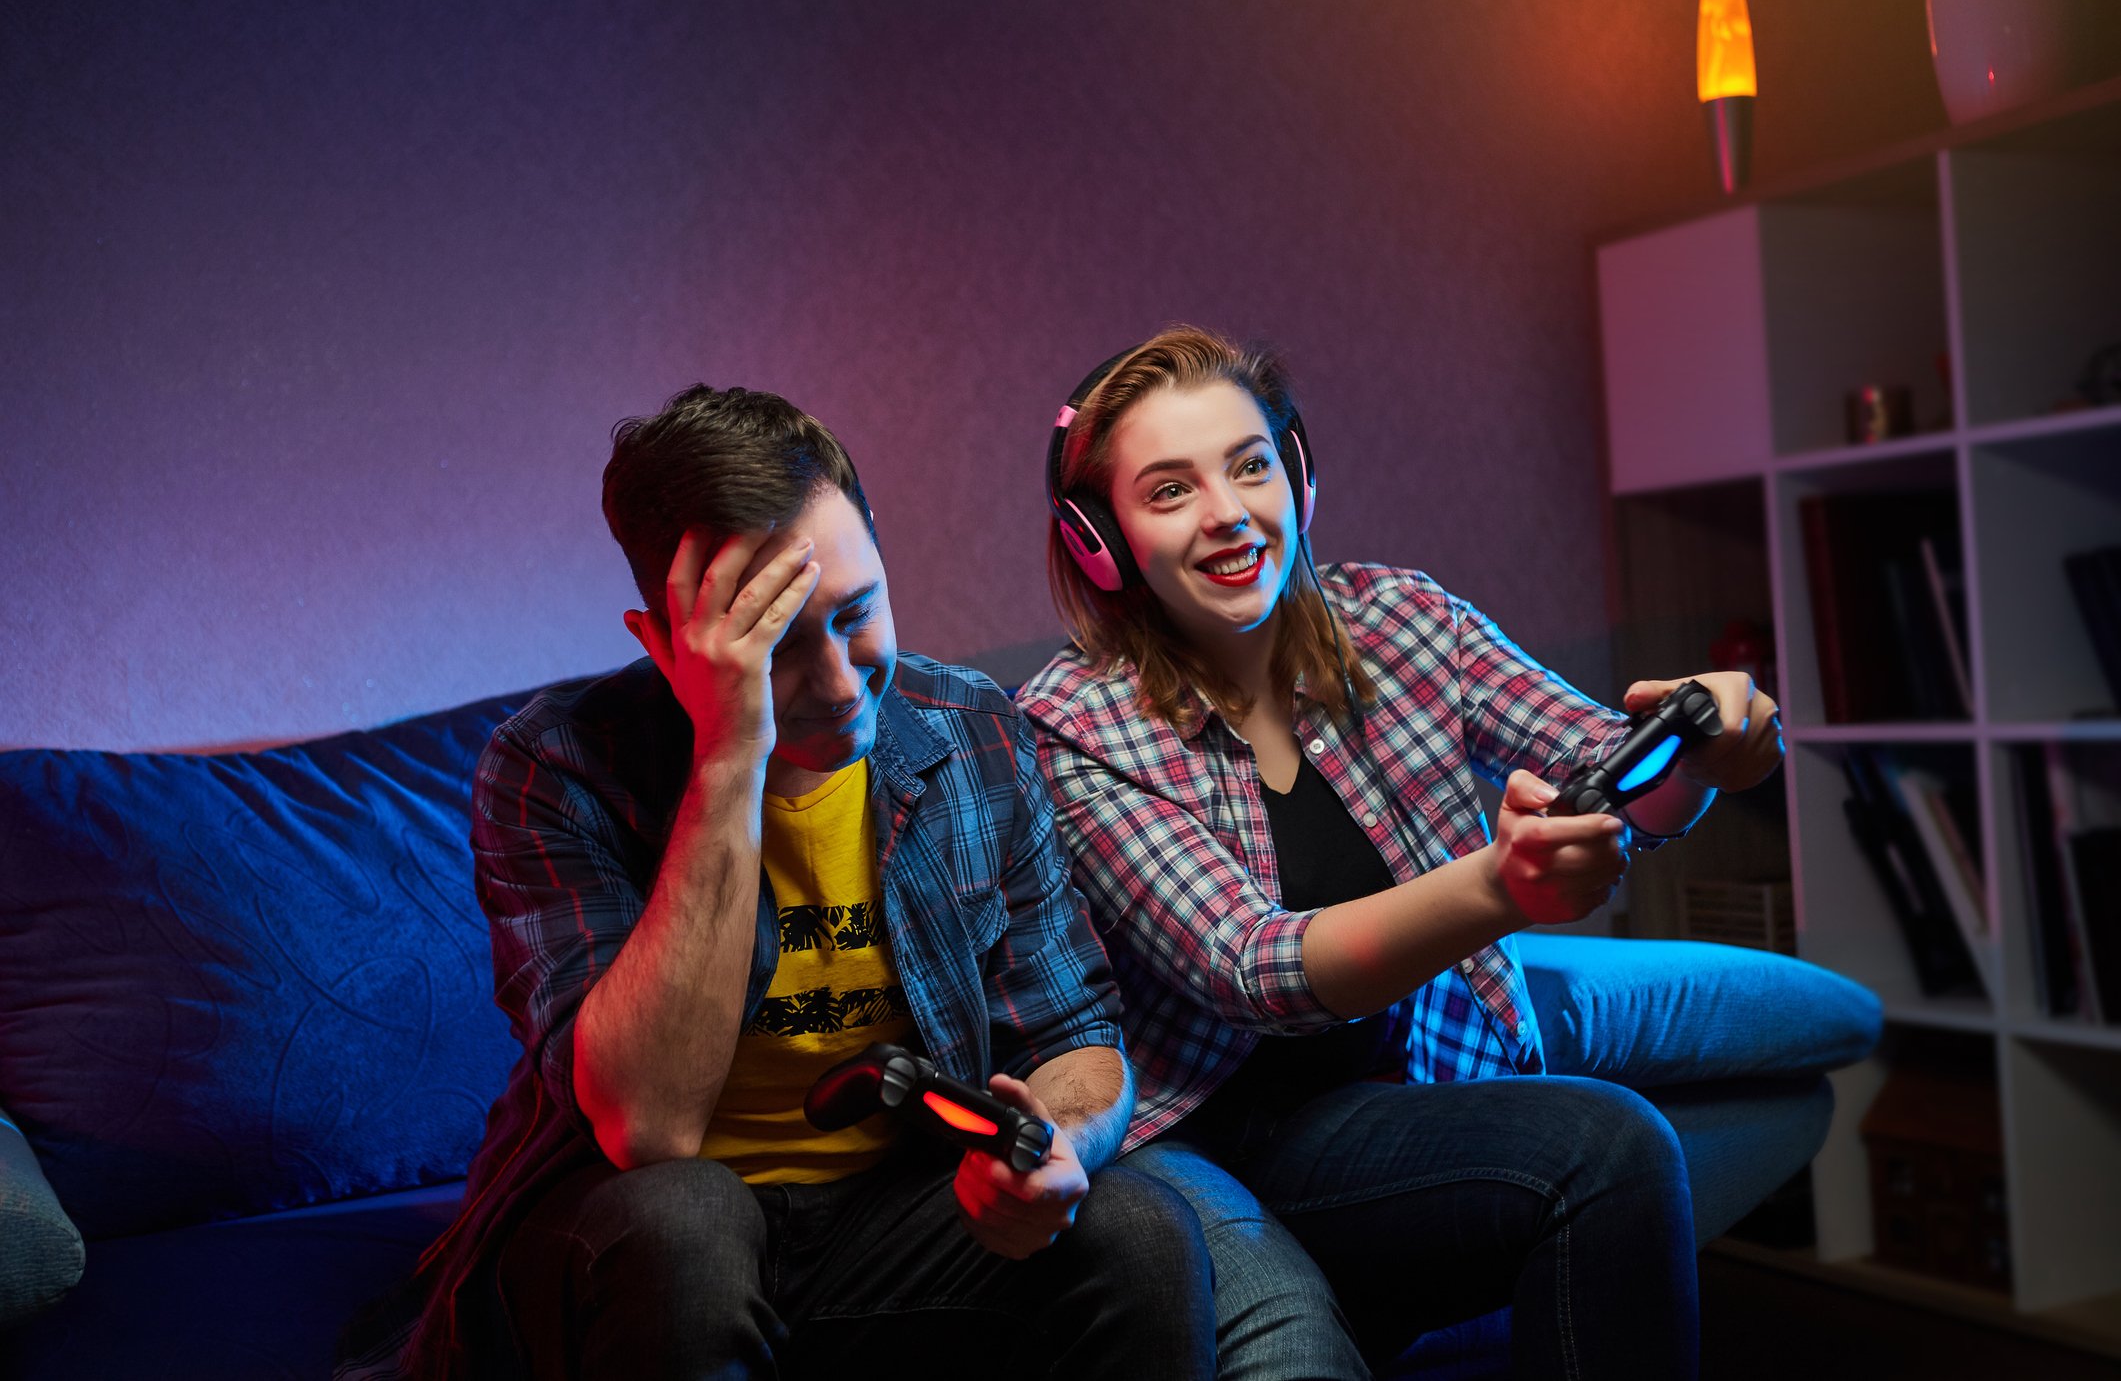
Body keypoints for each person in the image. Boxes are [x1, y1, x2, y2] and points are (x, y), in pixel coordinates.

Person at [345, 384, 1215, 1380]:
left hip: (883, 1217)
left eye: (858, 613)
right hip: (623, 1231)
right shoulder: (555, 765)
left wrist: (1052, 1147)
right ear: (664, 643)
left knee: (1140, 1228)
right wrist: (729, 756)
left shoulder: (970, 725)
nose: (844, 684)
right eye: (781, 647)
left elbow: (1074, 1036)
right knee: (689, 1221)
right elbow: (650, 1125)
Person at [1016, 326, 1786, 1380]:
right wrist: (1496, 888)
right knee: (1594, 1159)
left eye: (1250, 466)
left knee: (1616, 1146)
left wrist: (1714, 749)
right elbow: (1250, 968)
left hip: (1382, 1106)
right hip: (1203, 1138)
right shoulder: (1071, 723)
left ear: (1297, 474)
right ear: (1102, 543)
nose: (1229, 512)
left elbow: (1609, 764)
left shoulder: (1403, 621)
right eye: (1169, 491)